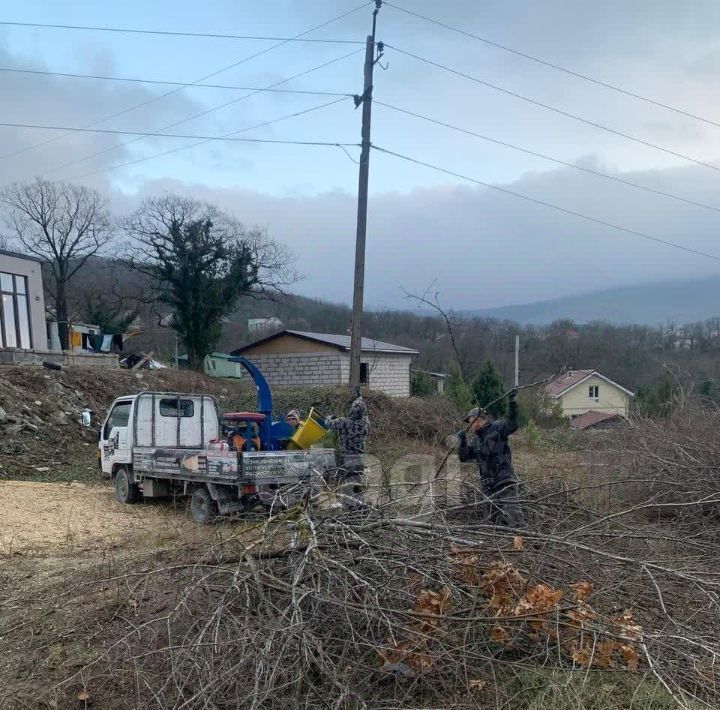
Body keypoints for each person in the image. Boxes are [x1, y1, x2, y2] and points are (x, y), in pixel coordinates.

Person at [457, 388, 524, 527]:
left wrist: (512, 403)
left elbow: (513, 424)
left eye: (470, 421)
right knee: (494, 524)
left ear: (478, 420)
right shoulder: (477, 441)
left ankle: (522, 544)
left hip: (504, 481)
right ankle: (501, 546)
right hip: (488, 486)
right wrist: (462, 442)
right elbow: (464, 457)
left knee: (514, 518)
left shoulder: (497, 428)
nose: (469, 425)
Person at [325, 395, 369, 507]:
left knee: (346, 484)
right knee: (356, 484)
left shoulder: (344, 421)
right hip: (360, 458)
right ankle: (360, 505)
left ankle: (349, 507)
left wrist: (331, 417)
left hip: (347, 458)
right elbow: (362, 414)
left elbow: (328, 423)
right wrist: (360, 400)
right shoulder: (365, 423)